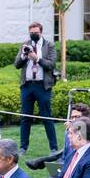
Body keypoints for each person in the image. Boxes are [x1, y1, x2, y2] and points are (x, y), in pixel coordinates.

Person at [15, 21, 57, 153]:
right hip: (27, 86)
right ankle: (23, 147)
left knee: (46, 117)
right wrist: (24, 56)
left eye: (36, 33)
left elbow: (51, 64)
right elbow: (16, 64)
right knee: (25, 118)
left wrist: (37, 58)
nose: (33, 35)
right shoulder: (25, 44)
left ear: (41, 32)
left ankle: (54, 147)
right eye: (31, 33)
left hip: (42, 86)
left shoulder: (49, 45)